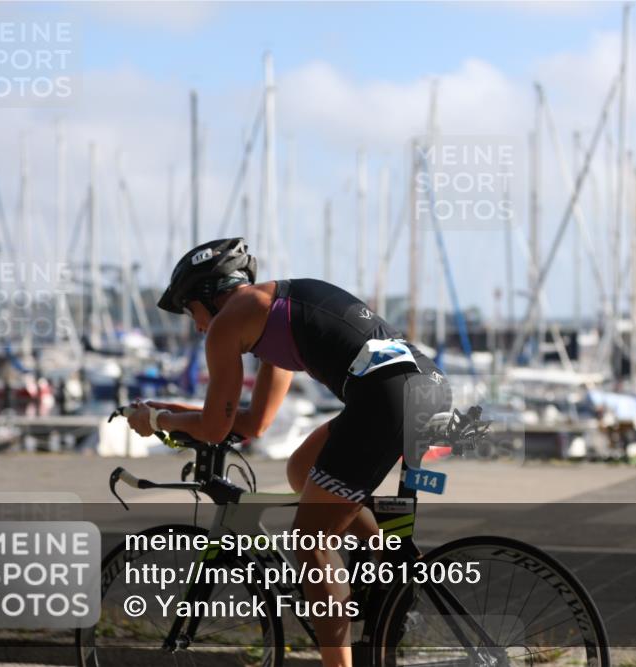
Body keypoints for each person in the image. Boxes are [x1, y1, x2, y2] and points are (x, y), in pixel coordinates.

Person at [126, 237, 451, 667]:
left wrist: (156, 422)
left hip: (386, 399)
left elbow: (214, 427)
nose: (197, 326)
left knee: (310, 542)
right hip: (420, 386)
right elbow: (252, 422)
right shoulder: (269, 315)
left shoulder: (230, 322)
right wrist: (168, 412)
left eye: (190, 311)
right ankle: (387, 561)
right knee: (303, 468)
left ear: (209, 295)